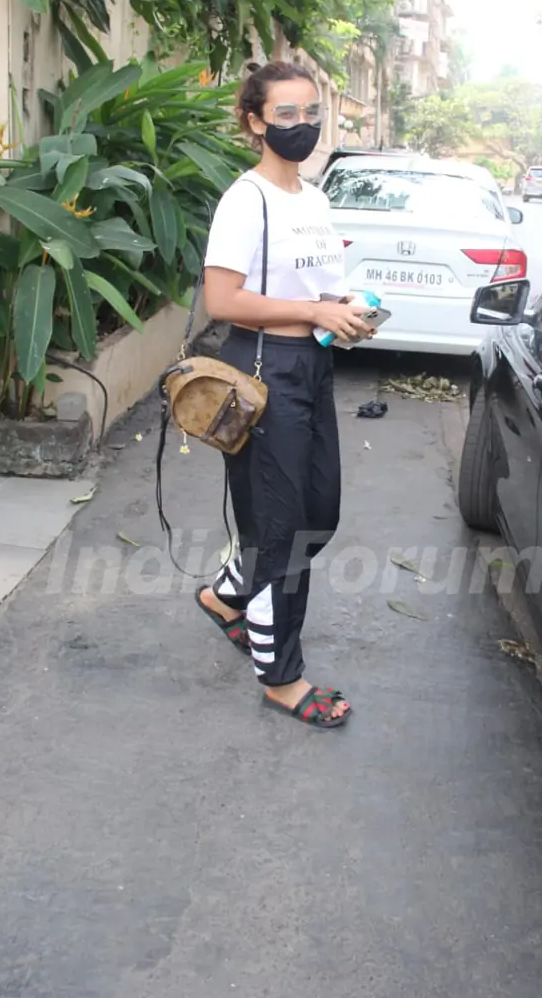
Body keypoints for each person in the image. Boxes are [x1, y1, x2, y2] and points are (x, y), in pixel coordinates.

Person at [195, 60, 374, 729]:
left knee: (317, 515)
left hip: (313, 366)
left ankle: (226, 599)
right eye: (286, 114)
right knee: (285, 532)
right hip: (265, 368)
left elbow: (316, 288)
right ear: (255, 121)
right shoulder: (248, 200)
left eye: (311, 113)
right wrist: (315, 316)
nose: (302, 125)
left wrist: (344, 309)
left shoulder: (314, 198)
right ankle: (281, 679)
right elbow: (222, 299)